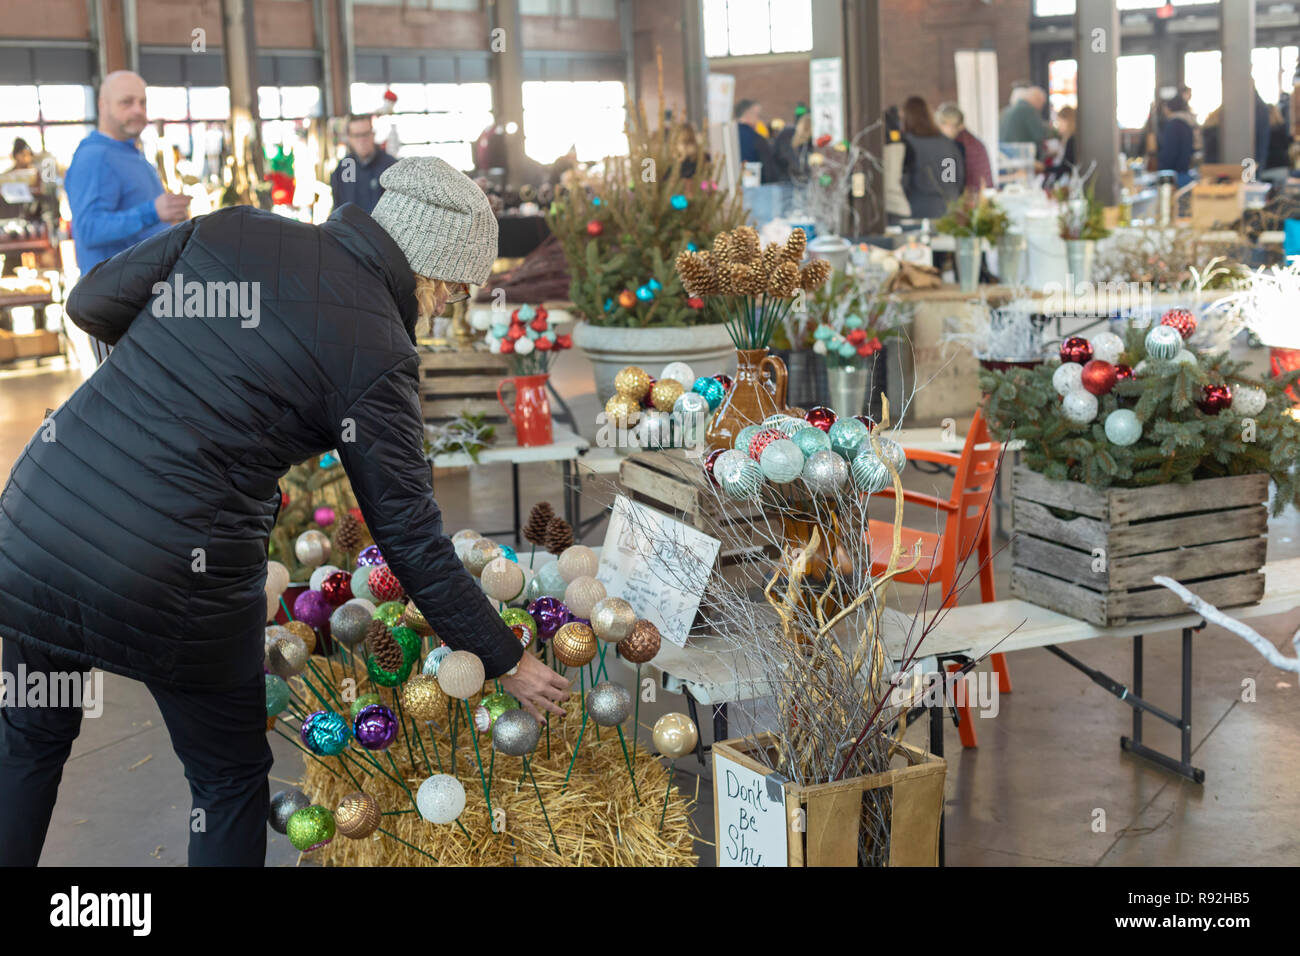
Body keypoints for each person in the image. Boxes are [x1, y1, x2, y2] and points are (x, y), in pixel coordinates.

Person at [0, 156, 572, 866]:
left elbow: (89, 303)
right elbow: (411, 537)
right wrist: (506, 658)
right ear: (434, 276)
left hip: (42, 518)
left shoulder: (235, 229)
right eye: (453, 297)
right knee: (227, 779)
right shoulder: (380, 353)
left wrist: (163, 378)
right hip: (173, 572)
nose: (441, 312)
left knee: (27, 740)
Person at [65, 71, 191, 364]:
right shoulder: (95, 157)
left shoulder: (131, 155)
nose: (138, 110)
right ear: (103, 105)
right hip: (115, 305)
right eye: (126, 102)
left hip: (147, 300)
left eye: (142, 102)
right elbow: (88, 228)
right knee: (127, 401)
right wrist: (152, 212)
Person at [900, 95, 963, 219]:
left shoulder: (907, 144)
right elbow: (953, 181)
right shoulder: (947, 144)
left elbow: (903, 182)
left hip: (916, 210)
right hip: (947, 210)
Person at [330, 113, 398, 215]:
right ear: (349, 138)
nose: (362, 140)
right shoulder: (343, 169)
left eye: (365, 134)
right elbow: (338, 209)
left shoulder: (391, 166)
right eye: (357, 135)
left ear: (373, 134)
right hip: (350, 229)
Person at [935, 103, 992, 193]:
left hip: (968, 198)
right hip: (980, 196)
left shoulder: (954, 145)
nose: (938, 128)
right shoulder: (974, 142)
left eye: (943, 124)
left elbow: (949, 182)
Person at [999, 84, 1050, 159]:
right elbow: (1040, 135)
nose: (1041, 107)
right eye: (1042, 103)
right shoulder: (1028, 110)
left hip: (1005, 155)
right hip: (1019, 157)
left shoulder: (1008, 109)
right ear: (1037, 99)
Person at [1157, 95, 1197, 186]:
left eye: (1165, 107)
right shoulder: (1187, 123)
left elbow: (1169, 152)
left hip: (1174, 176)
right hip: (1185, 172)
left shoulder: (1173, 125)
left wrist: (1162, 171)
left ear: (1170, 108)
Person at [735, 99, 777, 183]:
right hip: (754, 188)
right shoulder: (757, 139)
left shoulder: (728, 137)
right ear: (748, 114)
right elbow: (769, 172)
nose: (758, 120)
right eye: (758, 115)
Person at [771, 111, 812, 182]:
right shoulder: (786, 136)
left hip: (800, 181)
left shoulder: (809, 143)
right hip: (785, 181)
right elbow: (776, 156)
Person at [1045, 105, 1077, 184]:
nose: (1058, 126)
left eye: (1059, 121)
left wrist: (1044, 168)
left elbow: (1065, 167)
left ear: (1067, 121)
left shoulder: (1071, 140)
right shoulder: (1067, 139)